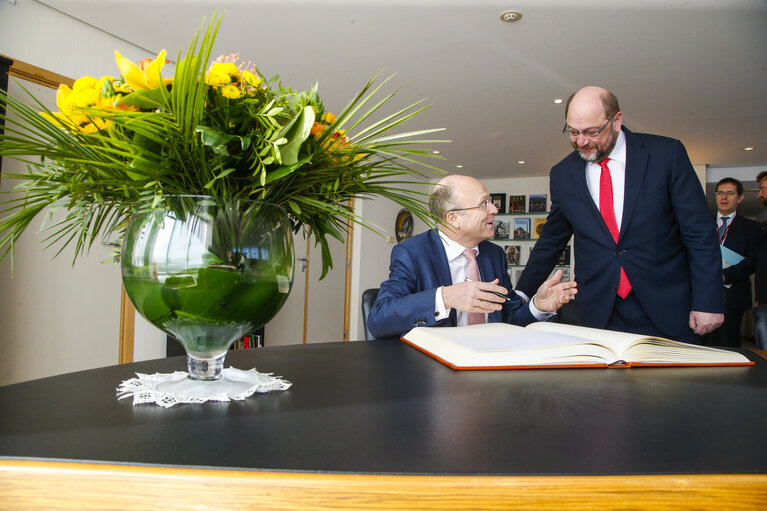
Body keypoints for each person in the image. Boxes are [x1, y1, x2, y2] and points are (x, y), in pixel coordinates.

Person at [516, 86, 724, 344]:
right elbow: (551, 241)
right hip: (598, 312)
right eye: (573, 132)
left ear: (616, 121)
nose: (581, 141)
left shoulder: (665, 155)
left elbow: (699, 233)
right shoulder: (563, 174)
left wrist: (708, 300)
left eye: (592, 132)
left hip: (668, 305)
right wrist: (522, 295)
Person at [367, 175, 577, 339]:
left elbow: (509, 318)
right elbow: (379, 319)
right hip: (434, 374)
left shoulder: (493, 254)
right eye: (484, 204)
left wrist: (538, 306)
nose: (495, 209)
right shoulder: (412, 252)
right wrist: (446, 297)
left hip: (490, 364)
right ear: (453, 218)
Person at [706, 178, 761, 347]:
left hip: (733, 296)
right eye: (720, 193)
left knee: (727, 344)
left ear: (740, 198)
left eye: (730, 193)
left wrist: (724, 276)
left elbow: (753, 261)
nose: (724, 197)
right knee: (701, 343)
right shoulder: (702, 224)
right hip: (703, 293)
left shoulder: (752, 228)